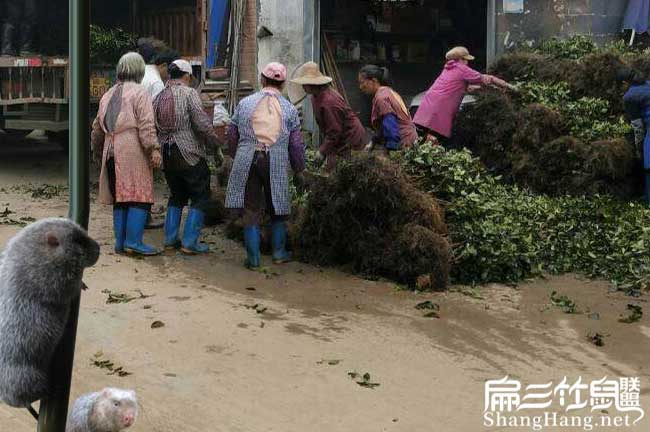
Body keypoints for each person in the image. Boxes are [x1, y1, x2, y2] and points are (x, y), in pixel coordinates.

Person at [225, 62, 305, 269]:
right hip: (275, 160)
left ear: (262, 80)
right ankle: (278, 253)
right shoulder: (289, 108)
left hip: (247, 158)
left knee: (250, 209)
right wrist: (299, 169)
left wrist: (235, 155)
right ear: (283, 83)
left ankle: (253, 259)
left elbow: (231, 132)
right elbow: (296, 144)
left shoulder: (245, 103)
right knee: (278, 208)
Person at [91, 52, 163, 256]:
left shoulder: (108, 94)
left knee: (120, 198)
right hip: (132, 149)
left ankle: (120, 243)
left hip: (110, 149)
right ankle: (134, 242)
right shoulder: (140, 93)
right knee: (139, 196)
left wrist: (98, 154)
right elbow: (147, 125)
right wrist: (154, 148)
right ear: (139, 70)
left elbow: (96, 128)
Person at [154, 59, 222, 254]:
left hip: (167, 154)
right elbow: (201, 124)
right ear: (187, 76)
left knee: (177, 196)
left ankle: (169, 239)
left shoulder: (159, 96)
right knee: (201, 195)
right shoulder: (189, 93)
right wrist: (215, 144)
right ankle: (190, 243)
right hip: (188, 153)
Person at [413, 46, 514, 144]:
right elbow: (486, 78)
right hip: (440, 109)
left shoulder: (448, 68)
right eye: (466, 59)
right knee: (435, 138)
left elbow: (462, 86)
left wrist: (486, 88)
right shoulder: (462, 69)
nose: (468, 62)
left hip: (428, 105)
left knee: (424, 138)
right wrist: (507, 85)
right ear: (460, 59)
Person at [290, 62, 366, 172]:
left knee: (345, 169)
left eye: (304, 84)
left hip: (350, 137)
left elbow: (334, 131)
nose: (302, 87)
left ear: (312, 84)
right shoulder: (315, 96)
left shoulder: (329, 101)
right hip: (339, 136)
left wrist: (322, 151)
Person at [358, 65, 418, 153]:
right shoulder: (388, 91)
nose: (361, 87)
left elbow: (389, 124)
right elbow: (384, 124)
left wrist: (392, 150)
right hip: (410, 139)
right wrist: (374, 141)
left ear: (374, 81)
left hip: (404, 143)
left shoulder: (381, 98)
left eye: (362, 82)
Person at [618, 68, 650, 205]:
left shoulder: (629, 97)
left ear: (625, 83)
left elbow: (638, 127)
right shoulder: (648, 84)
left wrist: (639, 148)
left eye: (621, 85)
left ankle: (649, 201)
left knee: (648, 166)